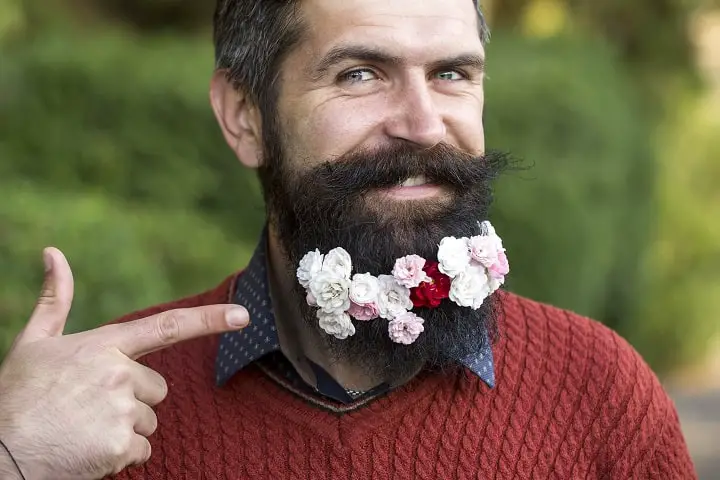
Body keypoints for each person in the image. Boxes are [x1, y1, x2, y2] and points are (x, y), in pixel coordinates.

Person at [0, 0, 698, 478]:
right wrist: (12, 457)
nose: (423, 125)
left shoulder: (597, 392)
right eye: (360, 74)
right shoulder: (108, 419)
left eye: (451, 74)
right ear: (244, 116)